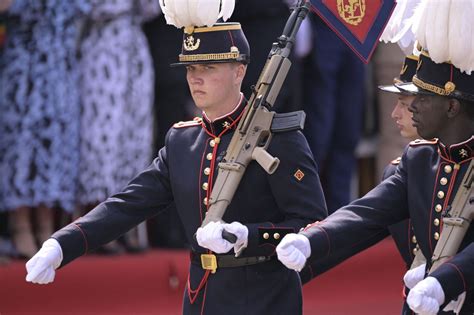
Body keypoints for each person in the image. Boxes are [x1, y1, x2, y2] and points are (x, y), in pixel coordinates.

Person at [24, 22, 327, 314]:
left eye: (208, 68)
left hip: (265, 299)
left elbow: (312, 222)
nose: (196, 78)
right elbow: (129, 204)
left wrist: (249, 236)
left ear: (239, 71)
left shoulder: (278, 138)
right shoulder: (183, 140)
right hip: (202, 298)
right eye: (191, 69)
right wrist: (62, 244)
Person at [277, 50, 474, 314]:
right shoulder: (420, 159)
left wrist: (445, 281)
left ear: (452, 107)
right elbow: (368, 212)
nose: (412, 106)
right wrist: (311, 239)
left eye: (424, 98)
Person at [0, 0, 89, 258]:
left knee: (55, 147)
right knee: (22, 146)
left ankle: (47, 226)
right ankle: (21, 225)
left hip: (61, 67)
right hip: (25, 66)